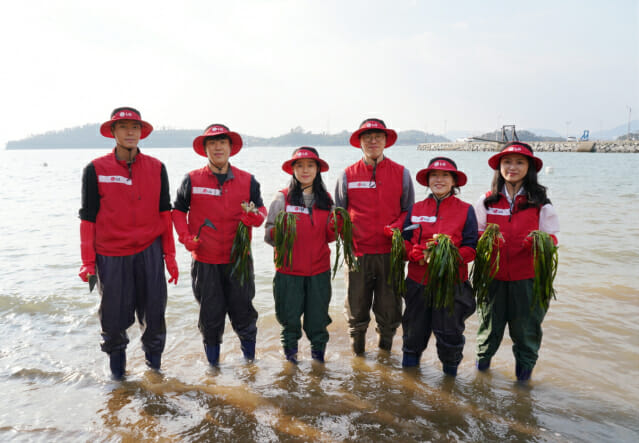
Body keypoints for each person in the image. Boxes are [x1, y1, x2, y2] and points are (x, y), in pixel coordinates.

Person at [78, 106, 178, 380]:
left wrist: (169, 256)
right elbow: (88, 219)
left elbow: (164, 214)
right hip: (110, 254)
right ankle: (118, 380)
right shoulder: (95, 169)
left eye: (135, 127)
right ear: (113, 131)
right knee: (112, 318)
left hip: (149, 250)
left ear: (141, 132)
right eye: (123, 127)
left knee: (155, 314)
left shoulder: (157, 168)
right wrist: (88, 262)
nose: (130, 131)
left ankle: (155, 373)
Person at [172, 124, 266, 367]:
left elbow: (261, 210)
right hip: (205, 262)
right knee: (210, 318)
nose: (217, 147)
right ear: (205, 149)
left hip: (239, 261)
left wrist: (253, 216)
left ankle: (250, 366)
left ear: (230, 147)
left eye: (222, 142)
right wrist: (185, 236)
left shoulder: (248, 180)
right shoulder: (192, 179)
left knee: (244, 315)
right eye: (212, 143)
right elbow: (178, 211)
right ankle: (213, 371)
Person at [474, 142, 560, 382]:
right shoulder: (488, 200)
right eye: (507, 162)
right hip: (493, 278)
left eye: (520, 162)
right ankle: (480, 381)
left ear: (529, 167)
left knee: (526, 334)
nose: (512, 167)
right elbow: (475, 232)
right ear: (499, 167)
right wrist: (488, 241)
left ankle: (523, 390)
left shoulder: (540, 200)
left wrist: (538, 242)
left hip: (528, 279)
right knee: (488, 332)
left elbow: (552, 235)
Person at [334, 118, 415, 355]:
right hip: (358, 254)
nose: (373, 141)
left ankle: (384, 360)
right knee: (356, 311)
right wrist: (348, 242)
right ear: (359, 142)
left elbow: (409, 212)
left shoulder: (401, 173)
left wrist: (398, 227)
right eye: (367, 136)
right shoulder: (347, 175)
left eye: (378, 136)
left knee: (389, 311)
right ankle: (357, 360)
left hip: (391, 254)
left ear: (386, 141)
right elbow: (338, 213)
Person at [400, 157, 477, 376]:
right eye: (434, 175)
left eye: (445, 175)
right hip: (417, 283)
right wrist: (411, 252)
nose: (439, 179)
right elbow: (405, 240)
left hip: (451, 285)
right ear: (427, 180)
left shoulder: (466, 210)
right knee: (413, 333)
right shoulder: (415, 208)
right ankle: (408, 381)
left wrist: (451, 256)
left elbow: (471, 247)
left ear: (454, 181)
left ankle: (449, 384)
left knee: (450, 335)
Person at [264, 147, 337, 364]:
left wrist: (338, 225)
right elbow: (269, 235)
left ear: (318, 169)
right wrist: (281, 229)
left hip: (319, 271)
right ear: (293, 169)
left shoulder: (326, 199)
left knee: (318, 322)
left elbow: (330, 237)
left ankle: (318, 366)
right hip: (288, 272)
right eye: (299, 165)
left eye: (310, 165)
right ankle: (291, 366)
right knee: (289, 323)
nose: (305, 170)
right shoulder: (282, 198)